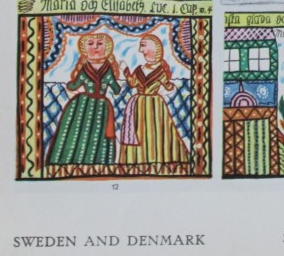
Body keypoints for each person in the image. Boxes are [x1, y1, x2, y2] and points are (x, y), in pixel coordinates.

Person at [46, 32, 120, 166]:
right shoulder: (85, 68)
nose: (95, 47)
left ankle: (97, 164)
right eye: (90, 44)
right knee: (76, 131)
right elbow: (75, 85)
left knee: (98, 134)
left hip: (100, 107)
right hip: (82, 105)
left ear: (107, 48)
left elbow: (115, 88)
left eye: (100, 44)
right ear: (84, 49)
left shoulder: (107, 69)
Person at [118, 34, 189, 166]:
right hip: (138, 103)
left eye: (143, 46)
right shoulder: (140, 68)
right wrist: (126, 70)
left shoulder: (161, 70)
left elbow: (169, 86)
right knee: (137, 131)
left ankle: (157, 158)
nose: (141, 50)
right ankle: (137, 160)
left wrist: (165, 91)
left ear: (153, 48)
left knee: (156, 130)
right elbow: (132, 83)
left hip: (155, 104)